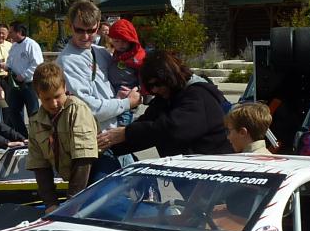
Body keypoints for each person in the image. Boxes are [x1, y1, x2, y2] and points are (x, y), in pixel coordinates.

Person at [57, 0, 140, 179]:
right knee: (107, 193)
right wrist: (127, 103)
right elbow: (88, 109)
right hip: (96, 145)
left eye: (91, 30)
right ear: (70, 27)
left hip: (117, 137)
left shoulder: (101, 52)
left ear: (98, 28)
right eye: (79, 30)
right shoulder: (67, 61)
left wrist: (130, 92)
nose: (86, 36)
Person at [97, 50, 232, 158]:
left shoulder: (199, 94)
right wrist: (109, 143)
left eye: (157, 84)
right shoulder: (165, 98)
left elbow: (172, 129)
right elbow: (147, 125)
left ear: (169, 77)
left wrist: (127, 133)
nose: (155, 90)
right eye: (150, 86)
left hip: (212, 170)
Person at [26, 62, 98, 212]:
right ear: (38, 95)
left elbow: (83, 160)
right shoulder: (35, 121)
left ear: (64, 87)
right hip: (73, 179)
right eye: (46, 99)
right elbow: (40, 166)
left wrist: (71, 204)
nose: (53, 104)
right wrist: (50, 204)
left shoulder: (77, 110)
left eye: (57, 96)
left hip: (96, 173)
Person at [5, 21, 43, 137]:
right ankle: (23, 136)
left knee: (33, 112)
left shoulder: (31, 45)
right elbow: (10, 61)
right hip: (15, 84)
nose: (9, 34)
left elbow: (37, 64)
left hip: (29, 84)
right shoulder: (14, 46)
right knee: (13, 111)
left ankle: (37, 136)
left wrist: (24, 75)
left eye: (11, 32)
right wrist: (6, 67)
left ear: (19, 32)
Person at [108, 18, 146, 126]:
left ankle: (123, 129)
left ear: (131, 40)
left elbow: (144, 76)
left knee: (124, 117)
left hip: (127, 92)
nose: (121, 44)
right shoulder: (117, 54)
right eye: (117, 41)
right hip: (114, 91)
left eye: (124, 41)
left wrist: (139, 90)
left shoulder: (137, 57)